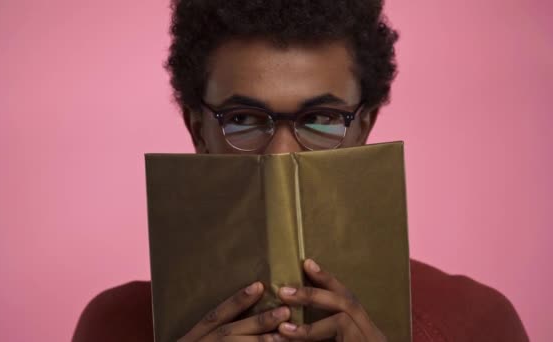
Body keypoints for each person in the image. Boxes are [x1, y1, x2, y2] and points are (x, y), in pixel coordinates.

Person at [72, 0, 529, 341]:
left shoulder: (476, 321)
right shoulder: (112, 325)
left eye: (321, 119)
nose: (280, 154)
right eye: (244, 120)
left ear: (364, 127)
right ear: (198, 130)